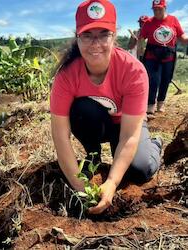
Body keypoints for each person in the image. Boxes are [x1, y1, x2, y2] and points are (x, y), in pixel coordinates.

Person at [50, 0, 162, 215]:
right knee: (81, 108)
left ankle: (155, 144)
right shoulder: (66, 76)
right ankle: (94, 154)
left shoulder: (133, 71)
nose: (95, 43)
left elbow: (129, 135)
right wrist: (79, 185)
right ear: (78, 37)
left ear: (114, 35)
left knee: (141, 170)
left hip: (127, 125)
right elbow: (60, 134)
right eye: (87, 35)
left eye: (103, 34)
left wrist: (111, 182)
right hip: (97, 123)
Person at [140, 0, 188, 114]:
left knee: (166, 80)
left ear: (165, 8)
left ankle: (161, 102)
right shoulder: (149, 22)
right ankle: (150, 104)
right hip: (152, 57)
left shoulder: (173, 20)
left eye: (159, 9)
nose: (157, 12)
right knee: (153, 80)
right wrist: (140, 54)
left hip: (168, 56)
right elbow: (141, 39)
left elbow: (182, 36)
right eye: (155, 9)